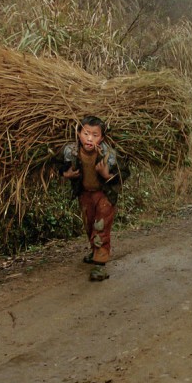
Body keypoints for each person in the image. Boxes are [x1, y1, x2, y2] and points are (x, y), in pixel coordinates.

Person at [53, 116, 126, 282]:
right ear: (79, 133)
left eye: (95, 135)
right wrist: (66, 173)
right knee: (89, 224)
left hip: (104, 195)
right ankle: (95, 251)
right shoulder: (70, 152)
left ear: (102, 138)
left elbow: (124, 173)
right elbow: (56, 163)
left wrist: (107, 175)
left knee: (100, 226)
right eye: (86, 133)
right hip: (85, 194)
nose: (89, 138)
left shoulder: (109, 155)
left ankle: (100, 265)